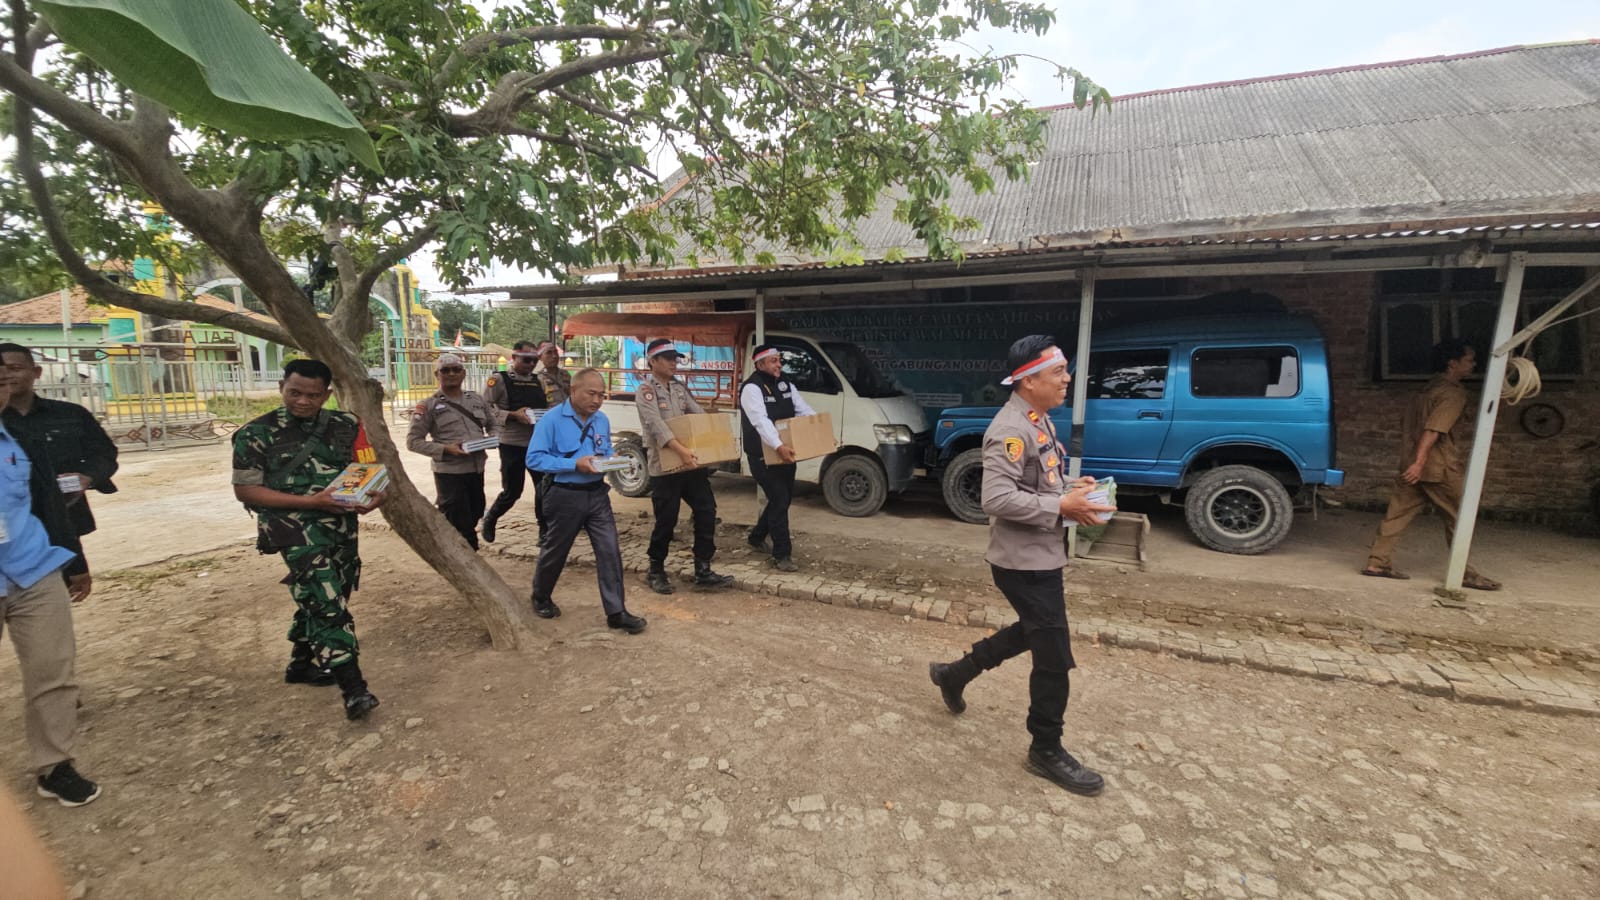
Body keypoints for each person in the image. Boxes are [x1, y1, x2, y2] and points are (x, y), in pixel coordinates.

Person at [927, 335, 1116, 797]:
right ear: (1029, 381)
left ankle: (955, 673)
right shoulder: (1010, 429)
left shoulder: (1039, 419)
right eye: (1058, 373)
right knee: (1054, 656)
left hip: (1040, 556)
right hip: (1023, 562)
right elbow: (996, 498)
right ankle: (1045, 749)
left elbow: (1042, 480)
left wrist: (1074, 489)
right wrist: (1061, 508)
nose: (1067, 379)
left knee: (1034, 632)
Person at [232, 359, 386, 720]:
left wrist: (378, 495)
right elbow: (246, 491)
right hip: (291, 529)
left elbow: (370, 471)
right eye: (294, 392)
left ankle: (300, 664)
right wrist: (310, 502)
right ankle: (354, 689)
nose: (302, 401)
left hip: (341, 526)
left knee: (328, 593)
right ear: (281, 387)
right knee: (327, 601)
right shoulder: (255, 434)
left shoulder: (347, 425)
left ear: (326, 395)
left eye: (312, 395)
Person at [1, 369, 100, 807]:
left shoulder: (19, 441)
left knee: (52, 671)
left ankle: (55, 765)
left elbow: (49, 508)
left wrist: (74, 562)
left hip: (33, 569)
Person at [1362, 338, 1501, 589]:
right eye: (1469, 360)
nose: (1473, 364)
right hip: (1436, 467)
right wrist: (1420, 463)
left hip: (1410, 463)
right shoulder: (1453, 394)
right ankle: (1464, 573)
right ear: (1452, 363)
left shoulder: (1425, 390)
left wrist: (1412, 463)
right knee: (1460, 516)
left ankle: (1377, 562)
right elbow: (1433, 430)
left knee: (1396, 514)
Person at [526, 368, 647, 633]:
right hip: (564, 494)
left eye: (601, 395)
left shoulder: (601, 419)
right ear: (573, 391)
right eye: (591, 393)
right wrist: (573, 464)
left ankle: (617, 611)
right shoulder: (552, 420)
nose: (597, 400)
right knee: (556, 550)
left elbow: (602, 450)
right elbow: (534, 459)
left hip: (596, 494)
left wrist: (612, 459)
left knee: (609, 551)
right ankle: (541, 595)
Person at [1, 343, 120, 564]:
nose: (7, 376)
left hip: (65, 516)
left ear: (36, 372)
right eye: (1, 370)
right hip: (10, 524)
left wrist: (87, 476)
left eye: (15, 368)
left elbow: (104, 453)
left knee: (66, 581)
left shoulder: (71, 414)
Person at [636, 338, 735, 594]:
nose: (673, 363)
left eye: (675, 358)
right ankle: (655, 570)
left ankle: (703, 569)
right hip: (666, 468)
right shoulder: (646, 391)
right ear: (653, 361)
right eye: (667, 358)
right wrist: (683, 451)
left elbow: (698, 416)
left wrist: (717, 440)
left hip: (690, 465)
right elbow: (658, 427)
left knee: (706, 511)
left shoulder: (680, 388)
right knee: (666, 521)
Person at [739, 343, 817, 572]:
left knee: (780, 500)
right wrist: (779, 445)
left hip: (786, 455)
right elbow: (760, 421)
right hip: (762, 456)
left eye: (779, 360)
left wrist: (820, 430)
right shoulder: (752, 389)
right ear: (760, 364)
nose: (779, 364)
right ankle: (782, 554)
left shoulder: (785, 385)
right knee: (781, 500)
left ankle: (756, 537)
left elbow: (804, 411)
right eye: (774, 361)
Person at [407, 352, 495, 550]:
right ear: (437, 375)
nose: (451, 374)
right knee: (459, 524)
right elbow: (413, 441)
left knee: (475, 513)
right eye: (445, 371)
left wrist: (492, 438)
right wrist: (446, 449)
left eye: (456, 370)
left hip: (476, 470)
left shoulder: (476, 400)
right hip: (450, 474)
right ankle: (468, 561)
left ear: (463, 374)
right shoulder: (428, 405)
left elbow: (493, 423)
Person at [481, 342, 548, 544]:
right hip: (512, 443)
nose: (530, 364)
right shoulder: (498, 380)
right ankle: (490, 518)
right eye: (526, 360)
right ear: (514, 358)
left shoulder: (540, 381)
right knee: (513, 491)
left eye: (534, 360)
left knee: (543, 488)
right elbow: (484, 409)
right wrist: (511, 415)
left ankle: (544, 531)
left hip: (537, 443)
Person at [536, 340, 572, 408]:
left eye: (556, 352)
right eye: (549, 353)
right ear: (540, 357)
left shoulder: (565, 374)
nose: (554, 356)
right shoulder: (538, 378)